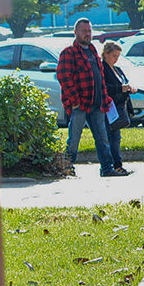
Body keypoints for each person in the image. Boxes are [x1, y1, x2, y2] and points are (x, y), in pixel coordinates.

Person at [56, 18, 116, 177]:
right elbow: (64, 77)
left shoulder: (93, 51)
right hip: (80, 105)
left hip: (97, 104)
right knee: (74, 139)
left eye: (89, 31)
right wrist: (74, 101)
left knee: (102, 139)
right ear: (75, 32)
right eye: (84, 31)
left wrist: (105, 98)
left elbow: (100, 77)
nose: (87, 34)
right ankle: (66, 168)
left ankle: (107, 168)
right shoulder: (69, 53)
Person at [99, 40, 133, 176]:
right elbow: (104, 88)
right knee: (110, 137)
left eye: (118, 56)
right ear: (105, 54)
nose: (116, 59)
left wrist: (129, 88)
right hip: (108, 107)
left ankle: (117, 165)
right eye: (114, 56)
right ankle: (112, 166)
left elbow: (124, 83)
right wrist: (120, 88)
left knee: (116, 137)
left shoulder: (117, 69)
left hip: (119, 106)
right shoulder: (102, 69)